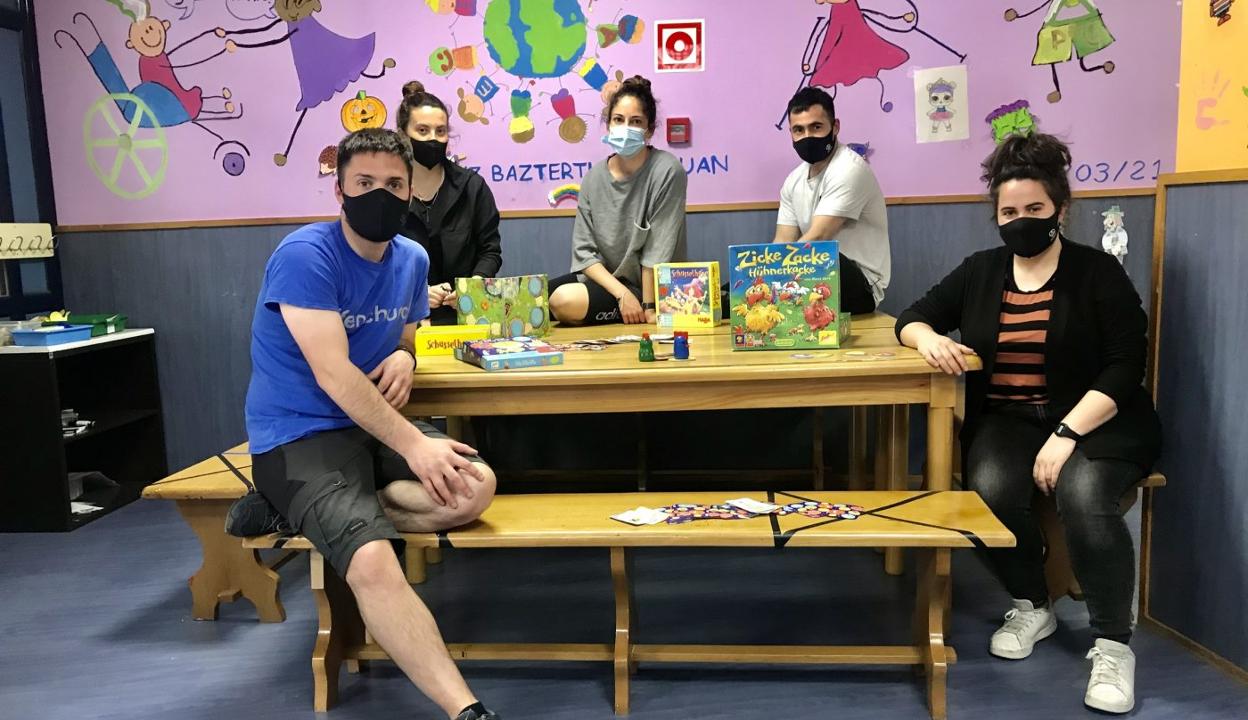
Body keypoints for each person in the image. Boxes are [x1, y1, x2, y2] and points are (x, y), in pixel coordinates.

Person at [232, 128, 502, 720]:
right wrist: (416, 445)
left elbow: (406, 333)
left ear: (409, 193)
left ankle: (311, 512)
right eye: (365, 183)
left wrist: (406, 356)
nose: (380, 194)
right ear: (340, 191)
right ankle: (466, 709)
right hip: (298, 435)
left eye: (393, 184)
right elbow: (334, 374)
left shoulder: (412, 259)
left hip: (369, 429)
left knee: (476, 487)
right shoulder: (306, 256)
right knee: (374, 559)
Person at [895, 133, 1161, 715]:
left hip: (1097, 418)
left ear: (1060, 209)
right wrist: (929, 338)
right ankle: (1032, 603)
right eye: (1009, 212)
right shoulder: (981, 271)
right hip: (1010, 418)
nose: (1021, 221)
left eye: (1034, 208)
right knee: (988, 488)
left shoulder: (1097, 272)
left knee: (1084, 492)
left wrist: (1066, 435)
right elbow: (912, 317)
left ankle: (1113, 643)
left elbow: (1125, 366)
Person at [548, 75, 687, 326]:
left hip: (649, 290)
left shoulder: (667, 170)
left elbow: (656, 252)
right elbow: (584, 253)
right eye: (618, 120)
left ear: (649, 129)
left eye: (636, 122)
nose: (626, 128)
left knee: (562, 300)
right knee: (534, 298)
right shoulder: (593, 178)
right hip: (609, 284)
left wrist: (647, 307)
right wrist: (621, 294)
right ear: (608, 124)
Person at [776, 86, 890, 314]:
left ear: (835, 126)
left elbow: (818, 237)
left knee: (823, 254)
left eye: (816, 127)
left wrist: (775, 279)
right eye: (798, 130)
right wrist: (759, 274)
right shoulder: (793, 180)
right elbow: (782, 242)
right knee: (740, 289)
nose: (807, 136)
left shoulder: (849, 169)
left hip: (861, 285)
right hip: (815, 275)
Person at [398, 80, 503, 325]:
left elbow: (490, 251)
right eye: (422, 130)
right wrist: (418, 293)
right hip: (404, 319)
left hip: (466, 316)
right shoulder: (390, 191)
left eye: (440, 131)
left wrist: (473, 288)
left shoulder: (472, 187)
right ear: (403, 135)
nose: (433, 139)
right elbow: (379, 259)